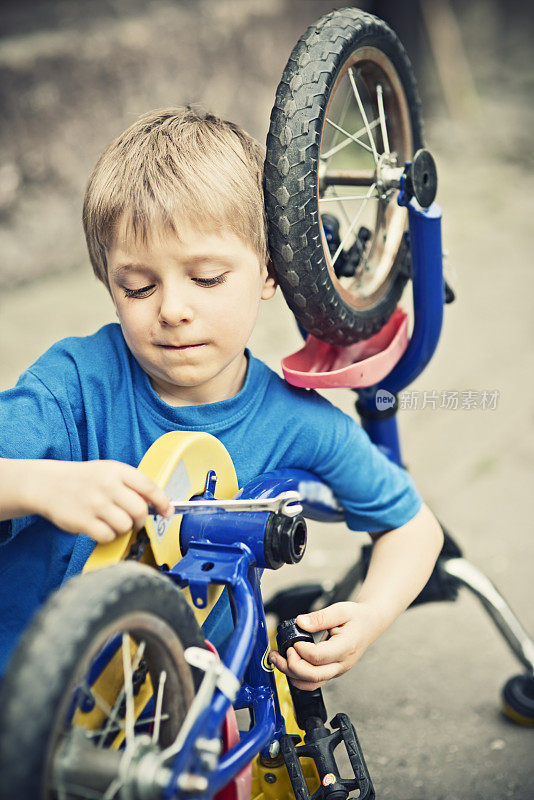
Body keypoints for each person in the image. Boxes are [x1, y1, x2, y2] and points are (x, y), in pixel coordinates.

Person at [0, 106, 443, 687]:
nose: (173, 309)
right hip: (26, 702)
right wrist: (39, 484)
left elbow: (413, 527)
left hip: (179, 716)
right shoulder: (75, 382)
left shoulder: (297, 421)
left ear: (268, 272)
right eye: (138, 286)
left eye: (207, 278)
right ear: (110, 286)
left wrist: (369, 616)